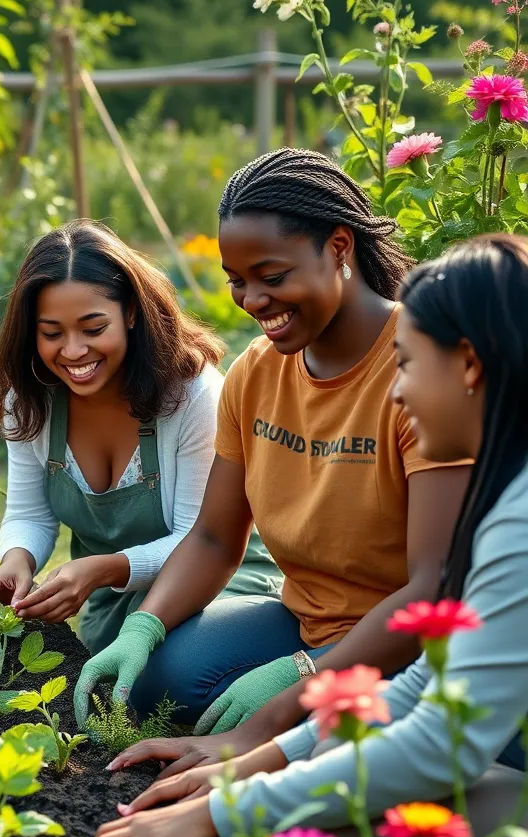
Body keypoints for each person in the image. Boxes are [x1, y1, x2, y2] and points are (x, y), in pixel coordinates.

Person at [83, 234, 528, 837]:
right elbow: (419, 695)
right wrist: (260, 760)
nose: (399, 388)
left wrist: (222, 812)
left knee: (338, 810)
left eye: (410, 366)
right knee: (329, 787)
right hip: (380, 676)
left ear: (470, 366)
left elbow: (443, 741)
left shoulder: (520, 522)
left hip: (471, 736)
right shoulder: (507, 497)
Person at [73, 149, 469, 734]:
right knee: (158, 678)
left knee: (362, 747)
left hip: (413, 642)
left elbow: (436, 583)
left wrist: (307, 677)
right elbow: (213, 538)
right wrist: (143, 626)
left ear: (339, 248)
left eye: (273, 277)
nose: (253, 300)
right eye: (237, 281)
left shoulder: (424, 372)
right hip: (304, 621)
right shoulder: (258, 373)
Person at [0, 220, 280, 658]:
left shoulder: (192, 395)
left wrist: (104, 569)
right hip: (119, 593)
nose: (74, 351)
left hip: (224, 579)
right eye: (52, 333)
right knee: (105, 671)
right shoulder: (30, 401)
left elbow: (201, 539)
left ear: (131, 313)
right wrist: (15, 561)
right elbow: (31, 515)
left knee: (175, 665)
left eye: (93, 328)